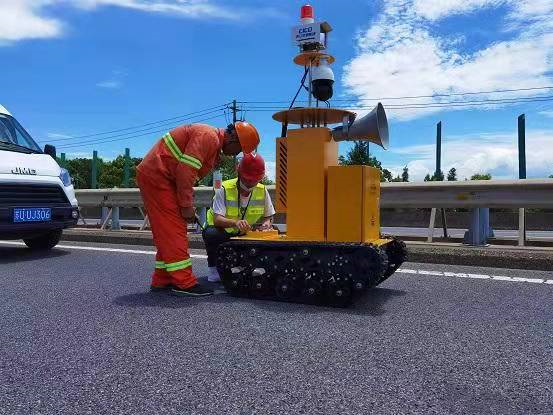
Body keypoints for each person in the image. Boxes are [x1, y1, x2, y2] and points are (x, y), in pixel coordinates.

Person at [136, 121, 260, 297]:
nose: (236, 154)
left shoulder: (212, 141)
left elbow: (186, 172)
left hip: (162, 178)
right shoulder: (208, 137)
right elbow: (185, 171)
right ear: (233, 138)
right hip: (159, 178)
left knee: (167, 232)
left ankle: (163, 280)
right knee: (174, 231)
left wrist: (186, 203)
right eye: (239, 149)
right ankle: (183, 282)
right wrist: (186, 206)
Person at [202, 153, 275, 282]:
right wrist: (235, 223)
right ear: (238, 172)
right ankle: (214, 269)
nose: (251, 182)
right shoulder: (223, 188)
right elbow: (217, 219)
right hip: (224, 233)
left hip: (247, 233)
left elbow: (268, 216)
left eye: (255, 180)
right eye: (247, 179)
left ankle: (251, 264)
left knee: (272, 234)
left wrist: (266, 224)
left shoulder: (262, 190)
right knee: (211, 233)